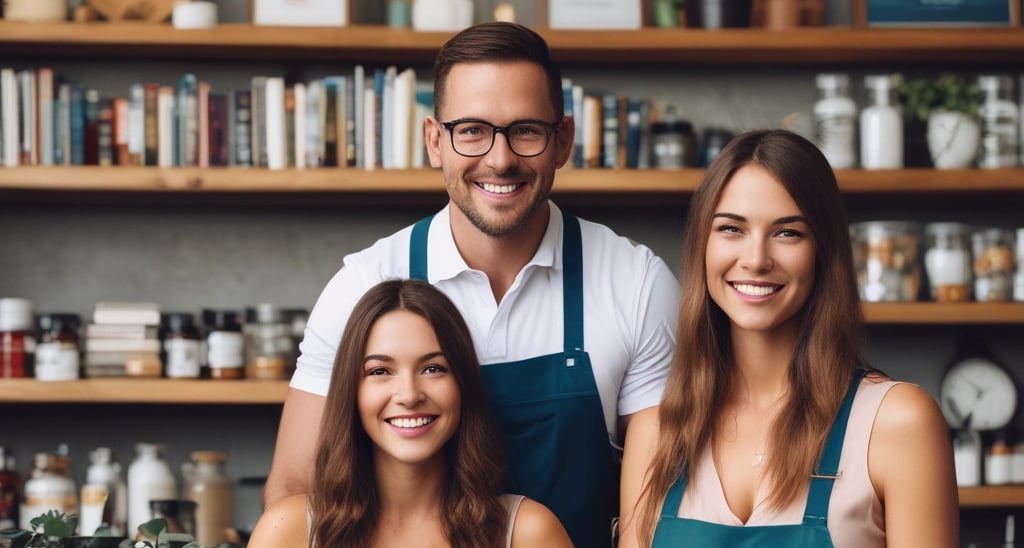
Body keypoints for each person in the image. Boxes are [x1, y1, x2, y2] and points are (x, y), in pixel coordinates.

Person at [263, 22, 680, 547]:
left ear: (564, 140)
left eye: (526, 130)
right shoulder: (362, 286)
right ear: (435, 141)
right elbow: (297, 491)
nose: (499, 159)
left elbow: (648, 517)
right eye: (472, 131)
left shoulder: (636, 284)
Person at [617, 129, 958, 547]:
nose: (756, 259)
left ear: (824, 251)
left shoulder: (897, 422)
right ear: (702, 246)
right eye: (731, 229)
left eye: (787, 233)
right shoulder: (655, 433)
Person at [249, 279, 572, 547]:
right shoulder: (289, 530)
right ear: (352, 392)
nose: (408, 395)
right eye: (380, 371)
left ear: (463, 385)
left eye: (433, 368)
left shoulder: (526, 532)